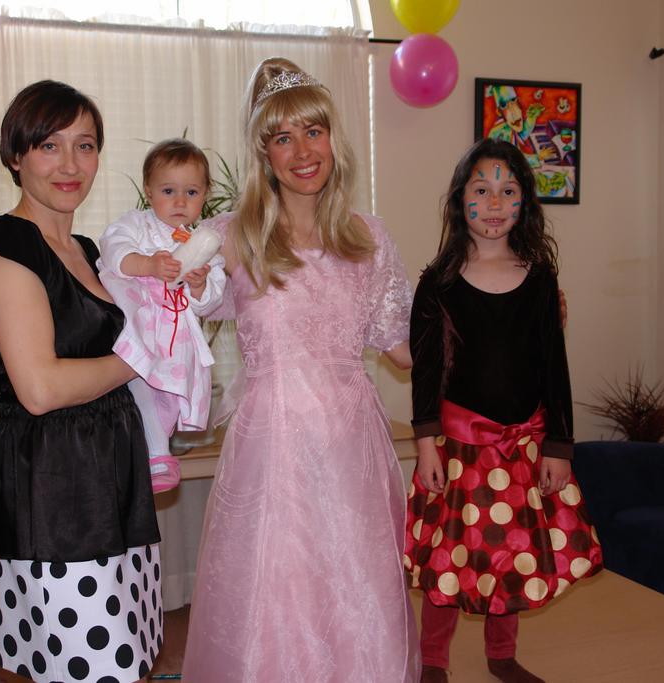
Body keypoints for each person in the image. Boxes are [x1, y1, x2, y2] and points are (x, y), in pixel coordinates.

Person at [181, 58, 421, 682]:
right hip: (273, 449)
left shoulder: (368, 239)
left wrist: (499, 322)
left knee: (357, 591)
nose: (303, 151)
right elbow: (169, 307)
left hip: (351, 450)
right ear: (264, 153)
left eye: (313, 131)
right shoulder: (230, 237)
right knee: (279, 594)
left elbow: (405, 349)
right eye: (283, 138)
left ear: (333, 138)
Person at [0, 80, 162, 683]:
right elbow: (40, 388)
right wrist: (143, 359)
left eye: (86, 145)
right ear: (15, 155)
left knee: (124, 651)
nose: (71, 165)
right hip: (57, 485)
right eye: (49, 146)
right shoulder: (6, 248)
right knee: (93, 661)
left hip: (111, 469)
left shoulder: (85, 248)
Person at [404, 138, 603, 683]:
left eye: (508, 190)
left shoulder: (540, 279)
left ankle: (501, 656)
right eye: (482, 190)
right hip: (458, 451)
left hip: (523, 449)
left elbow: (554, 367)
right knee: (449, 557)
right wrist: (426, 444)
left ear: (525, 202)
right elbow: (425, 372)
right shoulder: (438, 283)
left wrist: (559, 446)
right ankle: (433, 661)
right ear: (459, 200)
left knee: (512, 553)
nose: (494, 203)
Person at [98, 138, 226, 493]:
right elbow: (112, 248)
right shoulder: (137, 224)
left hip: (174, 338)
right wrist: (147, 265)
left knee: (168, 396)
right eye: (169, 191)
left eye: (191, 192)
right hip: (139, 321)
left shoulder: (206, 245)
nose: (180, 202)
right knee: (139, 378)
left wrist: (199, 285)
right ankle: (156, 452)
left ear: (205, 195)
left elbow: (210, 302)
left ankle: (156, 449)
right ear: (149, 191)